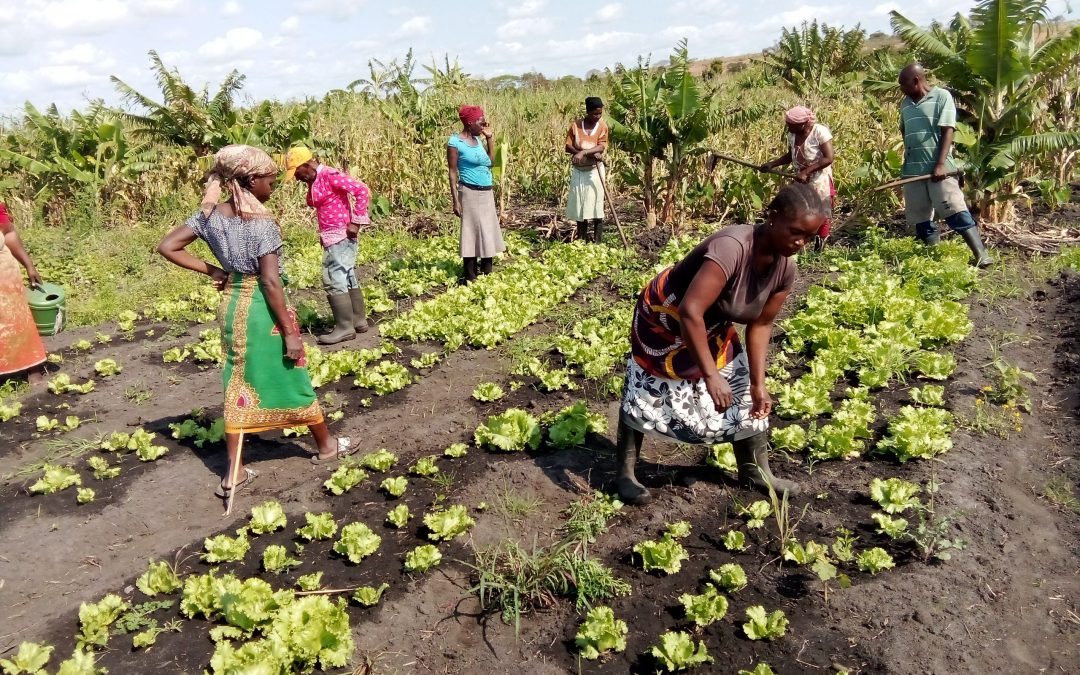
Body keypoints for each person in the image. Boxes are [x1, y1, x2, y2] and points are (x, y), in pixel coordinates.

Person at [157, 145, 354, 500]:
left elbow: (168, 246)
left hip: (232, 306)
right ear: (250, 181)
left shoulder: (207, 216)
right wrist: (292, 333)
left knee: (238, 382)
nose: (273, 186)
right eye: (269, 180)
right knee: (293, 370)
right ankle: (326, 447)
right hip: (264, 310)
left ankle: (233, 473)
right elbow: (270, 282)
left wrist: (214, 269)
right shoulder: (260, 224)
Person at [615, 183, 826, 505]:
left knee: (740, 383)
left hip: (711, 322)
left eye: (808, 237)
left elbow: (761, 324)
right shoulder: (732, 247)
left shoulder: (786, 267)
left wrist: (759, 384)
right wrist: (710, 374)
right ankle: (625, 474)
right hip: (666, 314)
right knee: (650, 384)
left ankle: (755, 470)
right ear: (772, 217)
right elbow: (690, 310)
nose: (800, 242)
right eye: (796, 232)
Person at [897, 63, 992, 267]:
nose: (901, 89)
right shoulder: (905, 104)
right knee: (920, 218)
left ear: (916, 81)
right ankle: (933, 259)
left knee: (954, 209)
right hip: (913, 171)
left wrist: (940, 164)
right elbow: (905, 133)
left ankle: (981, 255)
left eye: (903, 84)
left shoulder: (941, 97)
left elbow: (947, 130)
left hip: (939, 169)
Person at [283, 146, 372, 344]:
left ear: (307, 165)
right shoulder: (316, 179)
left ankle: (344, 327)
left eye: (297, 172)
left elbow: (361, 190)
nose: (296, 178)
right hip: (332, 234)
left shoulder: (330, 175)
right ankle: (358, 321)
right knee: (346, 274)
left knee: (333, 276)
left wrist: (356, 222)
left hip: (341, 233)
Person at [760, 106, 833, 250]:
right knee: (800, 207)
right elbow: (790, 155)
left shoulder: (819, 132)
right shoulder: (792, 135)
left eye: (791, 125)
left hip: (819, 178)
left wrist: (807, 171)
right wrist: (772, 164)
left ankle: (821, 243)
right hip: (800, 177)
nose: (788, 128)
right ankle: (801, 237)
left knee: (821, 209)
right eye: (787, 124)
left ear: (803, 124)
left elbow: (828, 158)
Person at [446, 105, 505, 283]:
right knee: (470, 231)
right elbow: (452, 172)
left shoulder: (478, 140)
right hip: (469, 192)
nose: (484, 124)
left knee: (488, 230)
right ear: (470, 123)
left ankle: (487, 272)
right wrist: (455, 200)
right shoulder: (455, 142)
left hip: (486, 192)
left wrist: (490, 139)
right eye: (481, 122)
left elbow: (491, 162)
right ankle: (470, 275)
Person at [0, 202, 48, 386]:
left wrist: (29, 265)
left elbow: (9, 233)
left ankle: (33, 367)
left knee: (16, 320)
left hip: (4, 273)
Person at [564, 96, 610, 243]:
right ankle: (582, 239)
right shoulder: (576, 126)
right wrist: (581, 150)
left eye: (600, 113)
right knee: (580, 205)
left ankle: (597, 242)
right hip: (579, 171)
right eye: (595, 113)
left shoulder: (602, 126)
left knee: (597, 205)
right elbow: (567, 146)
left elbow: (601, 146)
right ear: (588, 112)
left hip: (595, 171)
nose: (597, 116)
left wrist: (583, 152)